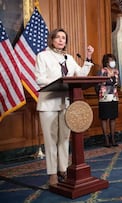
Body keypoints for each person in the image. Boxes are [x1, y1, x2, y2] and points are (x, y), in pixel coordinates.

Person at [34, 28, 94, 185]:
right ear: (52, 39)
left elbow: (80, 75)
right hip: (48, 103)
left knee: (64, 139)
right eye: (58, 37)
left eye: (64, 38)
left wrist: (88, 59)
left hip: (66, 102)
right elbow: (39, 79)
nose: (61, 40)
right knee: (51, 139)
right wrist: (59, 82)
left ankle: (63, 169)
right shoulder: (43, 56)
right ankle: (52, 173)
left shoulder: (69, 58)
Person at [96, 54, 119, 147]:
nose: (112, 62)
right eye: (110, 60)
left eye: (113, 60)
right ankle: (106, 138)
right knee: (104, 118)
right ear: (106, 62)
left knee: (113, 117)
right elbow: (98, 84)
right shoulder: (102, 71)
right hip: (104, 97)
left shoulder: (116, 71)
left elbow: (117, 83)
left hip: (114, 96)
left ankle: (112, 137)